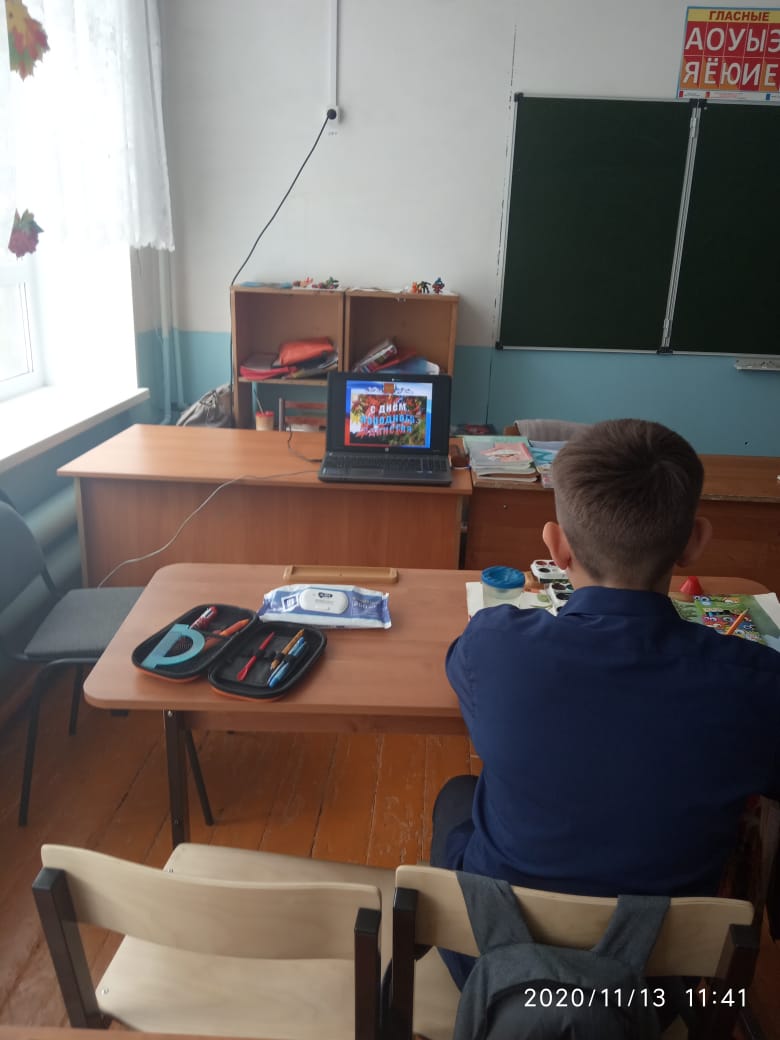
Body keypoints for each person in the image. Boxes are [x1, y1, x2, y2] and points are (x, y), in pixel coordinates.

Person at [432, 417, 780, 989]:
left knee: (458, 796)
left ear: (556, 545)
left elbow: (461, 670)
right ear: (695, 541)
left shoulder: (495, 646)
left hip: (495, 970)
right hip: (657, 985)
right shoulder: (758, 684)